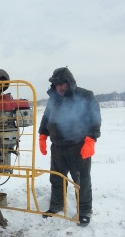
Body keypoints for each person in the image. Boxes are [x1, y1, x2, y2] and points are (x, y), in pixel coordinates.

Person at [38, 67, 101, 226]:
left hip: (78, 146)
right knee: (57, 178)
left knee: (81, 180)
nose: (59, 87)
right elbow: (46, 117)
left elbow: (94, 119)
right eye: (56, 84)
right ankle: (57, 204)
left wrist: (90, 140)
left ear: (70, 83)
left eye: (62, 84)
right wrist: (43, 135)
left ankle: (85, 210)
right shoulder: (53, 98)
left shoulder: (85, 95)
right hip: (58, 147)